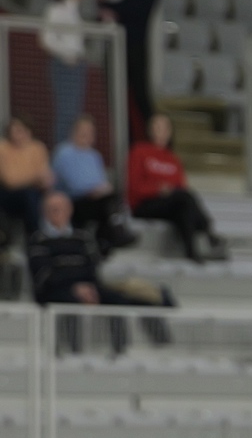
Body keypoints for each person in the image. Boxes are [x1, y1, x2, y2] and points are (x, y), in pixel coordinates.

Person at [28, 191, 175, 354]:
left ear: (69, 210)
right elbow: (43, 274)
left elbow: (92, 266)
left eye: (60, 208)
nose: (57, 212)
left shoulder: (82, 237)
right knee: (69, 301)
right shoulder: (37, 240)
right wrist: (76, 287)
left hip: (87, 285)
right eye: (52, 209)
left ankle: (121, 350)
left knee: (118, 300)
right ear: (44, 212)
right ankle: (73, 352)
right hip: (55, 289)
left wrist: (88, 287)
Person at [126, 113, 227, 263]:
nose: (161, 131)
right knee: (184, 198)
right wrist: (158, 190)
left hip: (171, 204)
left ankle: (191, 251)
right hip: (146, 204)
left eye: (165, 128)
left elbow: (181, 186)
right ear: (149, 130)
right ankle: (208, 233)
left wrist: (170, 192)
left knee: (184, 207)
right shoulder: (139, 151)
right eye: (157, 127)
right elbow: (134, 187)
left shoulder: (173, 159)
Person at [97, 0, 160, 141]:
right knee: (115, 99)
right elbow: (102, 12)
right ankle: (127, 144)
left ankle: (156, 143)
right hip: (114, 49)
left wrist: (112, 5)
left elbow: (137, 11)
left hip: (135, 49)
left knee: (141, 98)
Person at [52, 115, 136, 255]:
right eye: (83, 130)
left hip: (94, 200)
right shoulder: (64, 152)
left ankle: (106, 240)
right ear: (74, 131)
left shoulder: (94, 156)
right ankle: (113, 236)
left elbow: (102, 181)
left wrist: (102, 189)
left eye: (90, 131)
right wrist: (94, 189)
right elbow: (73, 184)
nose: (87, 134)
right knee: (108, 204)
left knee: (112, 199)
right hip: (73, 201)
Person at [41, 0, 90, 147]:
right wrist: (66, 54)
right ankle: (62, 150)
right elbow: (46, 39)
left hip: (77, 64)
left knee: (75, 111)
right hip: (64, 65)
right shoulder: (56, 9)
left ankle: (72, 149)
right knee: (65, 112)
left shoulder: (75, 10)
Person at [0, 116, 53, 239]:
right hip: (9, 194)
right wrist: (35, 178)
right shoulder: (3, 148)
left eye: (21, 130)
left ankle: (59, 236)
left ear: (28, 131)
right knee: (30, 196)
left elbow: (46, 177)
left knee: (57, 197)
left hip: (36, 192)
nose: (17, 135)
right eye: (14, 131)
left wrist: (40, 180)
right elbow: (10, 180)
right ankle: (35, 236)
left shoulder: (38, 148)